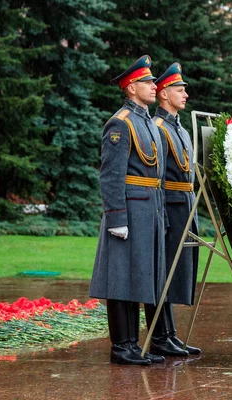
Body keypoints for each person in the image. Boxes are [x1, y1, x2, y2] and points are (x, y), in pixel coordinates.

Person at [89, 55, 168, 366]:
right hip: (129, 211)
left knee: (137, 277)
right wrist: (116, 217)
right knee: (120, 278)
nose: (154, 86)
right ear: (132, 88)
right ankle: (122, 346)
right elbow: (110, 174)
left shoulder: (146, 121)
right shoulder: (120, 123)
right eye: (148, 82)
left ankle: (132, 345)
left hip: (147, 209)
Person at [146, 62, 201, 356]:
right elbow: (156, 178)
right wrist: (162, 216)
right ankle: (159, 336)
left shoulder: (177, 127)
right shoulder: (157, 128)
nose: (185, 94)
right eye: (180, 90)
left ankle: (170, 333)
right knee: (163, 271)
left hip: (185, 205)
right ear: (165, 94)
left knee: (177, 270)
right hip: (169, 206)